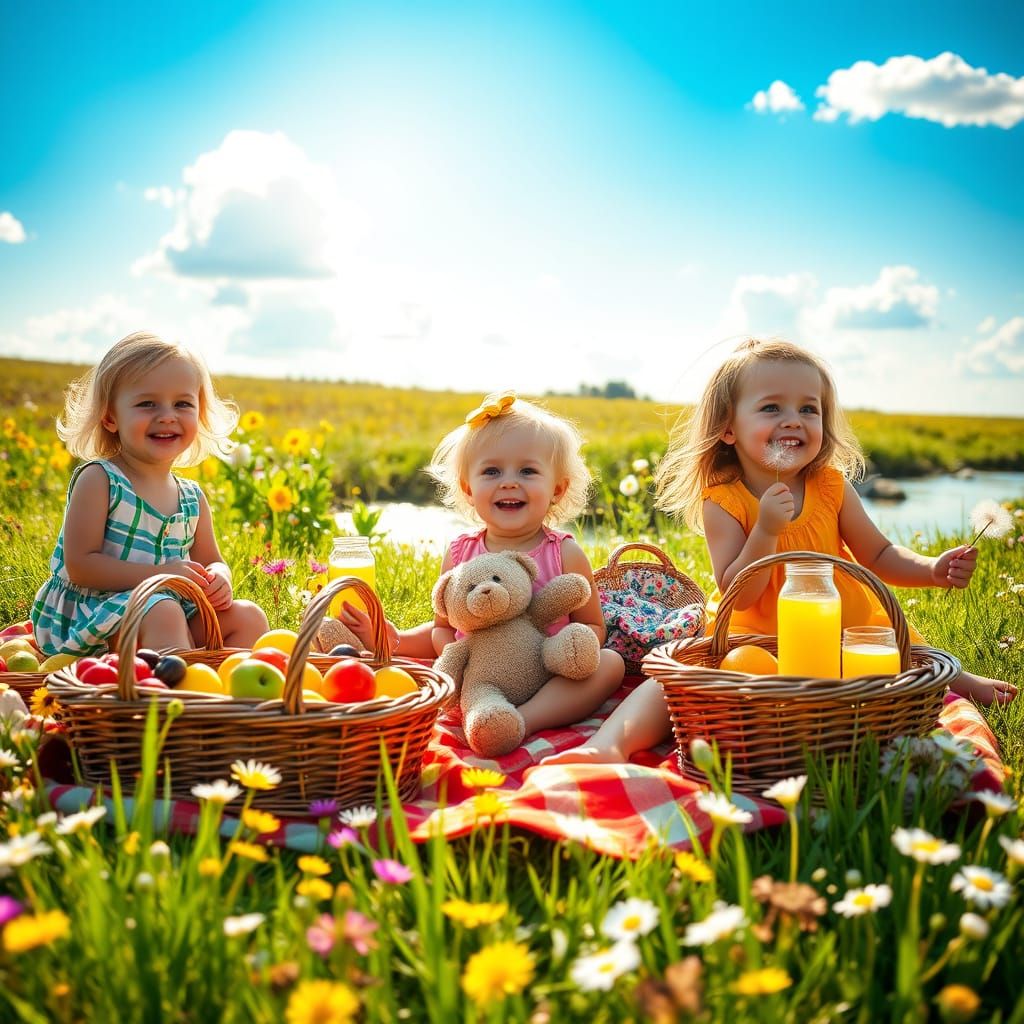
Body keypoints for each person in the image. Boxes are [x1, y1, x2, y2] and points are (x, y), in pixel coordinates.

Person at [545, 337, 1016, 766]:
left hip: (841, 624)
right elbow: (740, 592)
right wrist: (766, 528)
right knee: (669, 684)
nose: (793, 420)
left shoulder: (829, 485)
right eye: (771, 408)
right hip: (754, 636)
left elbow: (879, 555)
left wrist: (932, 569)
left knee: (900, 652)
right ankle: (608, 745)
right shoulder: (724, 500)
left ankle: (959, 680)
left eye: (809, 409)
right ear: (728, 430)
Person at [340, 389, 625, 739]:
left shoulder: (565, 554)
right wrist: (397, 638)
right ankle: (493, 715)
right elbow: (442, 630)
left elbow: (594, 628)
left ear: (558, 489)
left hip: (551, 674)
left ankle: (525, 720)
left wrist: (565, 647)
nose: (509, 481)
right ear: (468, 488)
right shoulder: (461, 555)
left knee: (611, 665)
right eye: (491, 471)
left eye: (527, 470)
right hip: (485, 679)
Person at [32, 332, 269, 656]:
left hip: (163, 608)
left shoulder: (191, 497)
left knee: (247, 617)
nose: (167, 415)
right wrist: (160, 576)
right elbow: (81, 566)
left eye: (182, 403)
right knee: (162, 611)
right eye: (147, 403)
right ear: (110, 417)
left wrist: (218, 577)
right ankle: (171, 699)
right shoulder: (101, 480)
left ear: (199, 415)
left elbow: (212, 560)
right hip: (93, 616)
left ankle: (222, 694)